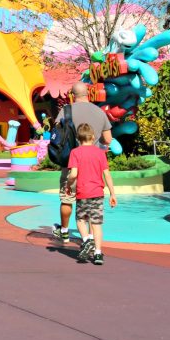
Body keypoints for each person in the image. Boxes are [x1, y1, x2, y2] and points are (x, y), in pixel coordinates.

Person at [52, 81, 113, 244]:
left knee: (67, 198)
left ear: (72, 95)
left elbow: (57, 134)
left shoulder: (65, 110)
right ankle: (92, 237)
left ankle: (64, 231)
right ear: (88, 93)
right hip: (93, 166)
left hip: (71, 162)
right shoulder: (99, 111)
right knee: (91, 201)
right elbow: (108, 139)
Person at [66, 123, 117, 265]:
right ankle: (98, 254)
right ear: (93, 137)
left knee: (81, 219)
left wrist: (69, 185)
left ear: (78, 138)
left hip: (83, 193)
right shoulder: (100, 153)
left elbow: (73, 174)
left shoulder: (75, 153)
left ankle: (87, 241)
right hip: (98, 193)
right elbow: (107, 175)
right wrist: (112, 194)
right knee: (96, 223)